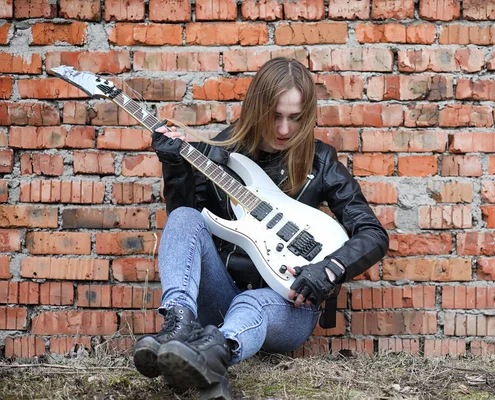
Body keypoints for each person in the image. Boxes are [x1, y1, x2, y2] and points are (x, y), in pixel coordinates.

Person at [132, 57, 389, 392]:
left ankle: (212, 354)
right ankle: (179, 327)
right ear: (256, 109)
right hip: (223, 292)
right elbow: (187, 227)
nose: (284, 130)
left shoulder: (320, 160)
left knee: (250, 304)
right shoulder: (221, 153)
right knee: (184, 218)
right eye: (275, 116)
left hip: (287, 306)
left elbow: (373, 234)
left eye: (295, 118)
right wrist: (174, 167)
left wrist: (329, 269)